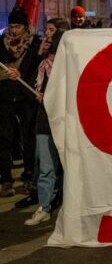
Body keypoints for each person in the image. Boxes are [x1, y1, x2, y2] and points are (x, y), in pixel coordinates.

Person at [14, 17, 69, 209]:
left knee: (60, 162)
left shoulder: (67, 58)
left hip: (60, 115)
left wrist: (49, 96)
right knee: (43, 162)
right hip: (41, 115)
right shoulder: (41, 55)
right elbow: (29, 78)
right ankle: (43, 203)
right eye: (47, 30)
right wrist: (38, 55)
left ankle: (58, 197)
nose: (46, 33)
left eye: (51, 30)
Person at [0, 8, 42, 197]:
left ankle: (28, 175)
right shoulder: (1, 42)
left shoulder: (35, 45)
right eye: (12, 26)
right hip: (5, 95)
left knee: (28, 137)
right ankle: (6, 179)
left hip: (26, 96)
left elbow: (37, 68)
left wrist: (21, 74)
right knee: (4, 137)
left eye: (18, 26)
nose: (14, 30)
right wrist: (6, 73)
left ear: (25, 27)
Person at [24, 30, 65, 226]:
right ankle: (44, 207)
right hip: (45, 122)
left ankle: (64, 203)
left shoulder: (67, 68)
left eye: (50, 42)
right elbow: (32, 85)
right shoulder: (42, 66)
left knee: (67, 167)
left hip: (65, 122)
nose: (47, 45)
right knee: (46, 168)